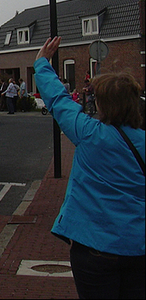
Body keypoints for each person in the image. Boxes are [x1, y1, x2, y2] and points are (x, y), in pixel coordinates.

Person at [34, 37, 145, 300]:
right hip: (139, 249)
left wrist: (41, 62)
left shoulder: (88, 133)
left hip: (94, 249)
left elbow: (58, 100)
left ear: (104, 105)